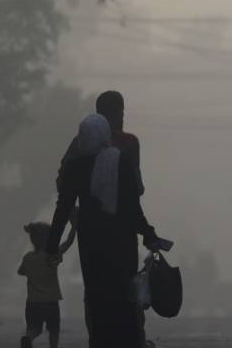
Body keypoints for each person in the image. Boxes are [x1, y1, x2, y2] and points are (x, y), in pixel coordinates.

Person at [48, 112, 164, 348]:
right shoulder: (120, 162)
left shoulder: (75, 168)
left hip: (91, 245)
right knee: (124, 298)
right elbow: (133, 207)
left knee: (97, 298)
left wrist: (51, 245)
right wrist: (149, 234)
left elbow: (63, 208)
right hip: (122, 243)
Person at [18, 219, 75, 348]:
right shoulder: (52, 256)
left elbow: (20, 272)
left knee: (35, 328)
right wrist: (74, 227)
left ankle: (28, 338)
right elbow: (68, 242)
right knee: (54, 330)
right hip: (51, 302)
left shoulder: (28, 258)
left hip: (33, 302)